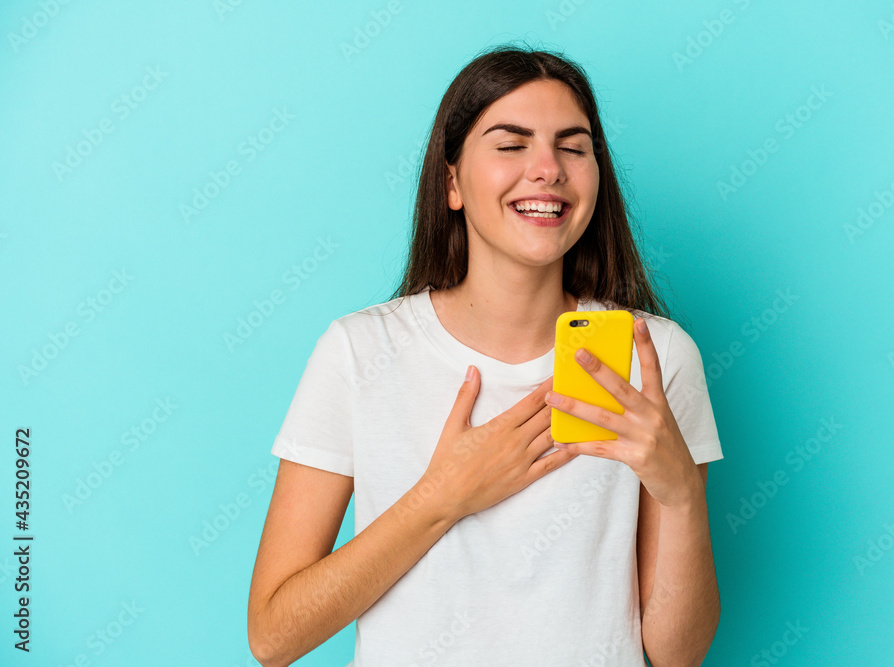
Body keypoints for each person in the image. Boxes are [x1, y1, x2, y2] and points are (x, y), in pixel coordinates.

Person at [247, 43, 723, 667]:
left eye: (573, 146)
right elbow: (274, 635)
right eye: (511, 144)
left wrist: (680, 493)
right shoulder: (360, 353)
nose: (548, 168)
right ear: (451, 182)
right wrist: (442, 496)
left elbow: (675, 655)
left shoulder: (656, 357)